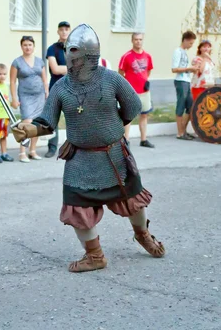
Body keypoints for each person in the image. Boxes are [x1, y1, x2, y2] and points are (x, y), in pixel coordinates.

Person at [12, 24, 165, 273]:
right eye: (68, 51)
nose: (71, 56)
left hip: (114, 154)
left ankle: (143, 235)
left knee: (133, 199)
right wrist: (30, 130)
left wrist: (115, 126)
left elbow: (133, 105)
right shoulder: (62, 86)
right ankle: (94, 255)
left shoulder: (111, 78)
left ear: (89, 54)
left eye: (75, 51)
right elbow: (47, 121)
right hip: (80, 159)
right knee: (76, 207)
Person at [10, 35, 48, 163]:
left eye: (30, 45)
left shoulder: (40, 61)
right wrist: (14, 98)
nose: (27, 47)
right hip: (25, 96)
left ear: (33, 46)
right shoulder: (17, 62)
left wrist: (47, 92)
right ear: (21, 46)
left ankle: (32, 150)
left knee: (37, 124)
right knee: (27, 122)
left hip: (39, 96)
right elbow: (12, 81)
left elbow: (44, 79)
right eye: (25, 45)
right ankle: (22, 152)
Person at [118, 33, 155, 148]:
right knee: (128, 116)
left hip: (144, 91)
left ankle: (143, 139)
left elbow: (148, 71)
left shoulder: (147, 56)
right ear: (132, 40)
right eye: (136, 39)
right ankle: (126, 140)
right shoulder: (127, 56)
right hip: (131, 92)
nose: (138, 41)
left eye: (140, 39)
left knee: (144, 115)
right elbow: (120, 72)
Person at [45, 21, 71, 158]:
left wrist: (65, 69)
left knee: (73, 117)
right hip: (56, 87)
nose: (64, 32)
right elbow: (55, 69)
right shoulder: (52, 49)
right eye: (62, 29)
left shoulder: (75, 48)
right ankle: (52, 147)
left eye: (67, 29)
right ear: (58, 31)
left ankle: (74, 145)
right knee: (52, 118)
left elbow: (81, 67)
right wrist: (71, 69)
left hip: (72, 88)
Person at [171, 31, 198, 140]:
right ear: (185, 40)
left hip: (186, 80)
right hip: (180, 81)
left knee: (190, 105)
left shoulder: (184, 52)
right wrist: (189, 69)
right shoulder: (177, 51)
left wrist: (191, 70)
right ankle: (180, 132)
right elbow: (174, 69)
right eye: (190, 43)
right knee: (181, 105)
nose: (191, 45)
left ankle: (183, 130)